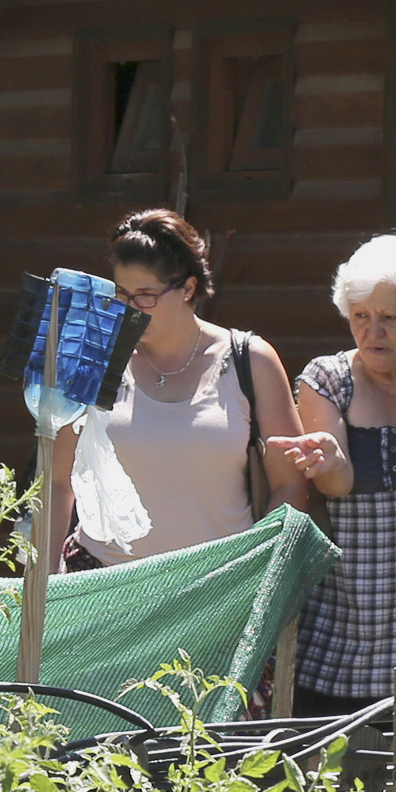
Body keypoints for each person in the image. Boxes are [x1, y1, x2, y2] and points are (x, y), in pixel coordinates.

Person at [265, 234, 396, 713]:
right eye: (361, 316)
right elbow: (336, 484)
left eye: (390, 318)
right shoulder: (327, 378)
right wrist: (330, 460)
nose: (372, 331)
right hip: (346, 620)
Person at [48, 208, 306, 564]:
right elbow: (57, 484)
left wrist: (259, 569)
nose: (130, 309)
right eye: (121, 294)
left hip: (218, 589)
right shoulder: (93, 357)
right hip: (101, 585)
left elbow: (289, 483)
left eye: (145, 296)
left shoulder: (252, 360)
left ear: (188, 288)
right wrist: (42, 588)